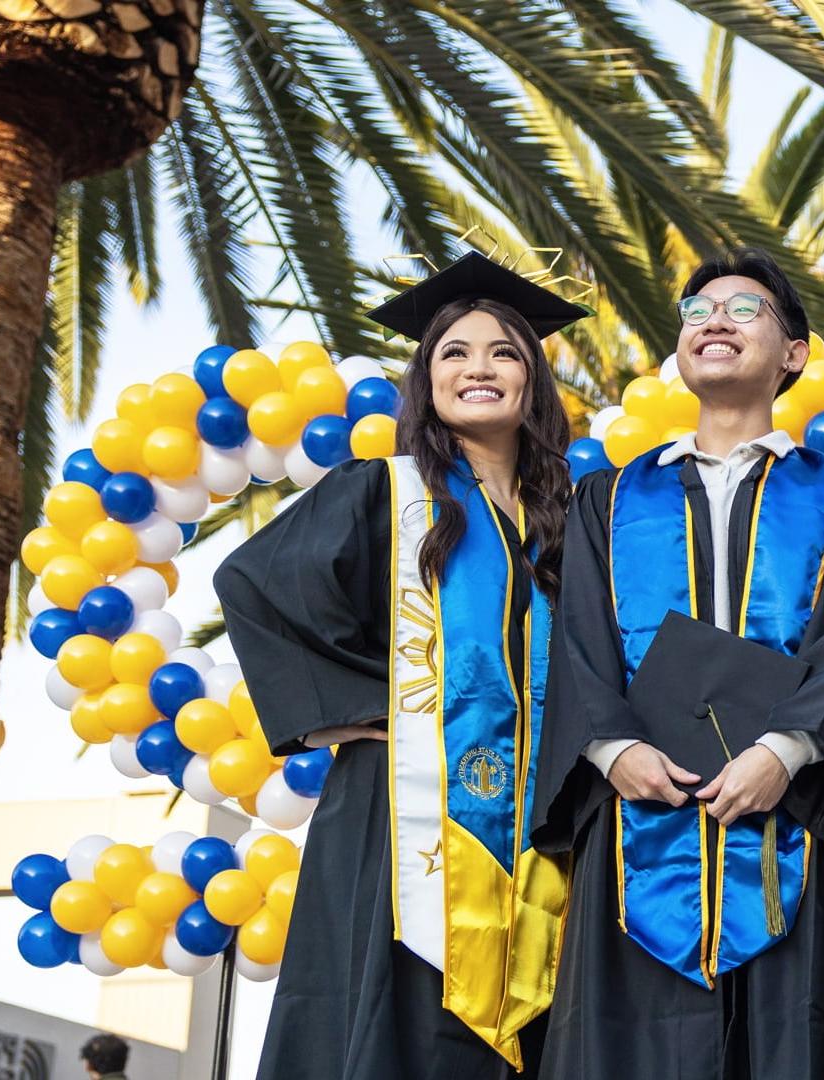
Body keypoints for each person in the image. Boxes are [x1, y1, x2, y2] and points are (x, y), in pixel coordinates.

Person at [214, 251, 588, 1079]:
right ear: (427, 382)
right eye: (453, 352)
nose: (478, 368)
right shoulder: (383, 491)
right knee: (396, 1027)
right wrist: (370, 708)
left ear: (532, 379)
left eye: (503, 352)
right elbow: (254, 583)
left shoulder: (565, 525)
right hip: (400, 817)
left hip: (540, 832)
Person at [531, 246, 824, 1079]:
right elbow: (579, 641)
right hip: (636, 830)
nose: (713, 322)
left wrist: (784, 752)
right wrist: (615, 753)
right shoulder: (611, 498)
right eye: (696, 313)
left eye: (742, 309)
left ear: (794, 353)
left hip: (785, 827)